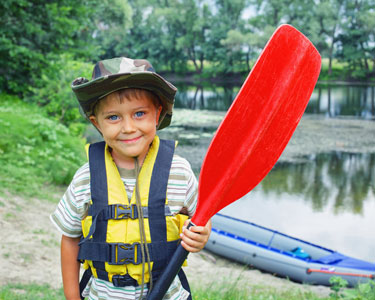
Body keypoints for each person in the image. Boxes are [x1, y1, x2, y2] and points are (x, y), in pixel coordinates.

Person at [50, 57, 211, 300]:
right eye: (113, 117)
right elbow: (70, 239)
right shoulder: (86, 177)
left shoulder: (180, 172)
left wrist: (201, 236)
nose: (128, 128)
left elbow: (201, 219)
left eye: (139, 113)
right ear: (97, 123)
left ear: (157, 114)